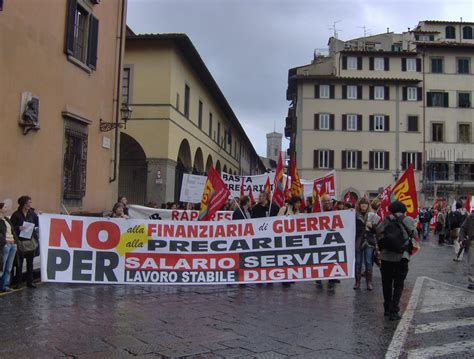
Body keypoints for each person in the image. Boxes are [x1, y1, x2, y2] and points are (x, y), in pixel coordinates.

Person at [376, 201, 417, 321]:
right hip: (402, 256)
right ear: (404, 209)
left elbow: (378, 231)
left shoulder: (386, 219)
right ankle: (394, 310)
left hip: (386, 256)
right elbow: (415, 234)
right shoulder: (407, 219)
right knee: (398, 284)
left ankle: (387, 309)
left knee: (386, 283)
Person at [10, 196, 39, 289]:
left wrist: (40, 215)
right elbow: (11, 227)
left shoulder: (32, 214)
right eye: (28, 203)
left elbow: (38, 223)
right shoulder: (16, 214)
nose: (29, 205)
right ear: (23, 204)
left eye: (30, 203)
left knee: (30, 263)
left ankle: (30, 282)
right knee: (19, 263)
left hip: (30, 242)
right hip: (20, 242)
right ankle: (18, 283)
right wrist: (18, 227)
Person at [354, 198, 380, 290]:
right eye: (362, 204)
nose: (364, 205)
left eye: (365, 203)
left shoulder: (372, 216)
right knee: (358, 262)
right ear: (359, 205)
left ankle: (369, 282)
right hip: (358, 240)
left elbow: (376, 231)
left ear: (368, 205)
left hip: (369, 241)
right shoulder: (354, 215)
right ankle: (357, 282)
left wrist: (371, 226)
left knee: (368, 262)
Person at [0, 201, 18, 292]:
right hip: (5, 245)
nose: (6, 208)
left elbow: (12, 231)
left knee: (9, 267)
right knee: (1, 267)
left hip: (12, 244)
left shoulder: (7, 219)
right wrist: (5, 241)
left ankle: (5, 285)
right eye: (5, 207)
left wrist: (15, 241)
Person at [458, 212, 474, 290]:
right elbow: (463, 228)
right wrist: (461, 239)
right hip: (472, 242)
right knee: (471, 262)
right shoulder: (470, 217)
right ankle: (472, 281)